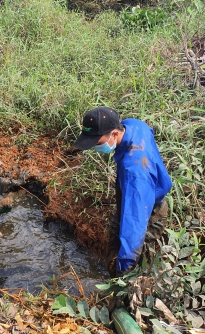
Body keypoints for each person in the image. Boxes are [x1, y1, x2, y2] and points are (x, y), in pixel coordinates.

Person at [74, 107, 172, 277]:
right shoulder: (134, 126)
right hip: (142, 195)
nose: (95, 147)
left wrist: (124, 267)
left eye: (97, 142)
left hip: (149, 211)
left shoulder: (134, 173)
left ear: (114, 134)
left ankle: (125, 291)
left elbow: (134, 226)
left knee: (133, 264)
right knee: (115, 236)